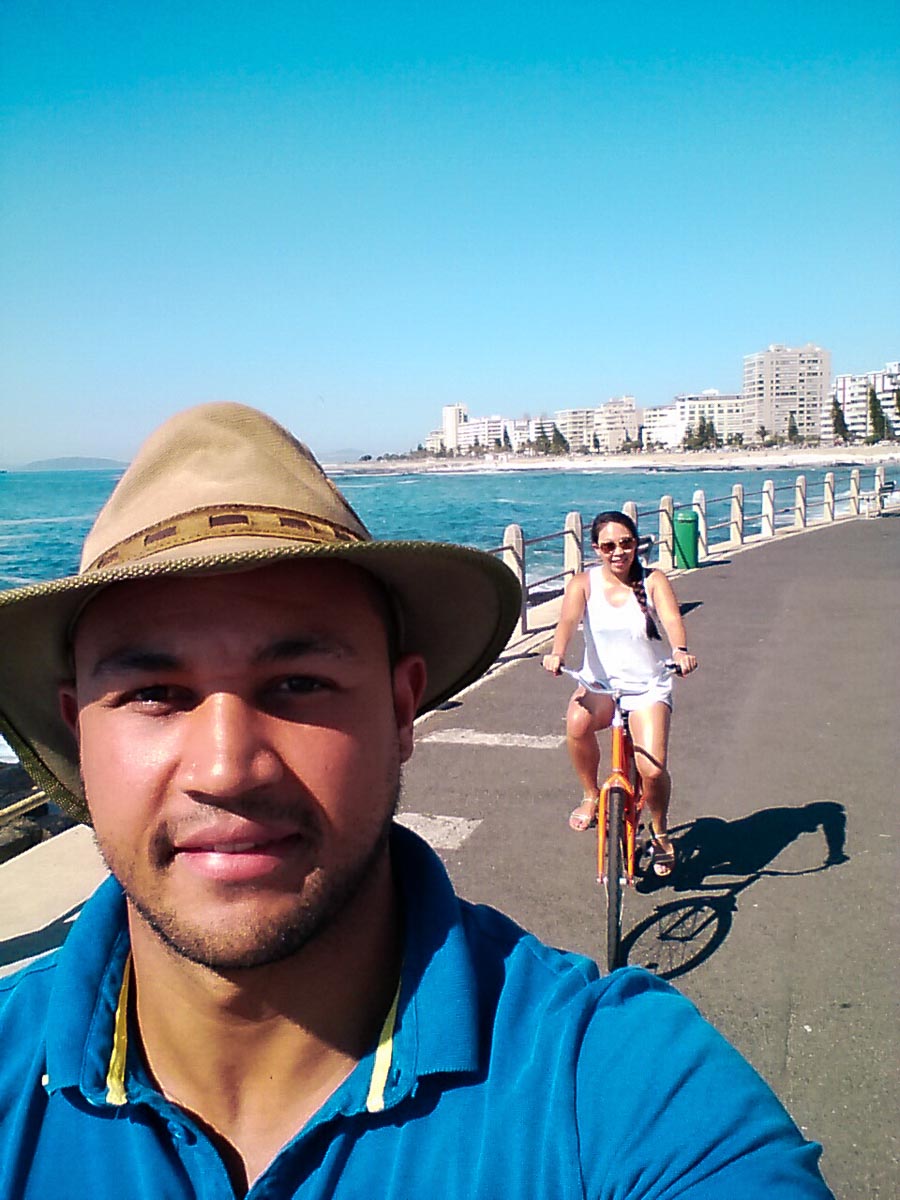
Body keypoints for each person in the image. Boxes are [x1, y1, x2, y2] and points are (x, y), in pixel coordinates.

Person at [0, 403, 832, 1198]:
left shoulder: (607, 1083)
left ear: (403, 711)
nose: (227, 769)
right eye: (154, 692)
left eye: (299, 683)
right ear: (79, 734)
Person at [543, 510, 698, 875]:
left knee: (652, 769)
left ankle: (660, 832)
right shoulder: (584, 583)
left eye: (626, 543)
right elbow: (566, 620)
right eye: (609, 545)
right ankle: (591, 795)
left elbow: (672, 619)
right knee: (577, 724)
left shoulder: (653, 579)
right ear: (596, 548)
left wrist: (679, 650)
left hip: (647, 685)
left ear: (636, 544)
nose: (619, 552)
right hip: (601, 684)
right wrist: (557, 653)